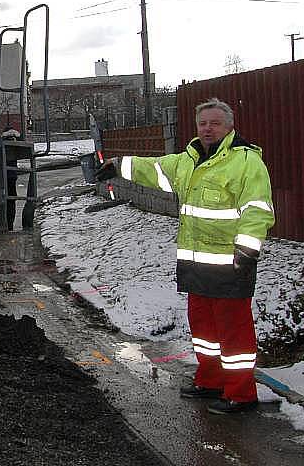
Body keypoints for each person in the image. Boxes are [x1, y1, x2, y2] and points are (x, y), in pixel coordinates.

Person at [96, 98, 274, 415]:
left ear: (230, 126)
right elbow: (154, 169)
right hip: (195, 265)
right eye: (203, 123)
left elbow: (258, 210)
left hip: (230, 264)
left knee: (233, 334)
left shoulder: (246, 162)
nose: (208, 129)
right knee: (205, 332)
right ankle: (210, 381)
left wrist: (247, 249)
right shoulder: (187, 161)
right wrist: (118, 164)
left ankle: (241, 394)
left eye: (215, 123)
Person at [1, 126, 21, 230]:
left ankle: (3, 224)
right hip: (12, 176)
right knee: (11, 201)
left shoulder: (1, 142)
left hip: (0, 176)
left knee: (3, 200)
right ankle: (10, 225)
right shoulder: (16, 142)